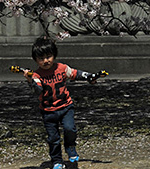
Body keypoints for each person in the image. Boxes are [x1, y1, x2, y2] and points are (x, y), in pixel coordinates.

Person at [24, 36, 103, 169]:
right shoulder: (37, 75)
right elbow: (38, 91)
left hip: (66, 106)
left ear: (54, 55)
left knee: (69, 128)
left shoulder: (61, 68)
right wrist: (30, 80)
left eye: (48, 56)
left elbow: (75, 73)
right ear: (35, 60)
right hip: (48, 111)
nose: (45, 61)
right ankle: (57, 160)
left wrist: (90, 77)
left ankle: (70, 146)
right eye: (41, 58)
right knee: (53, 139)